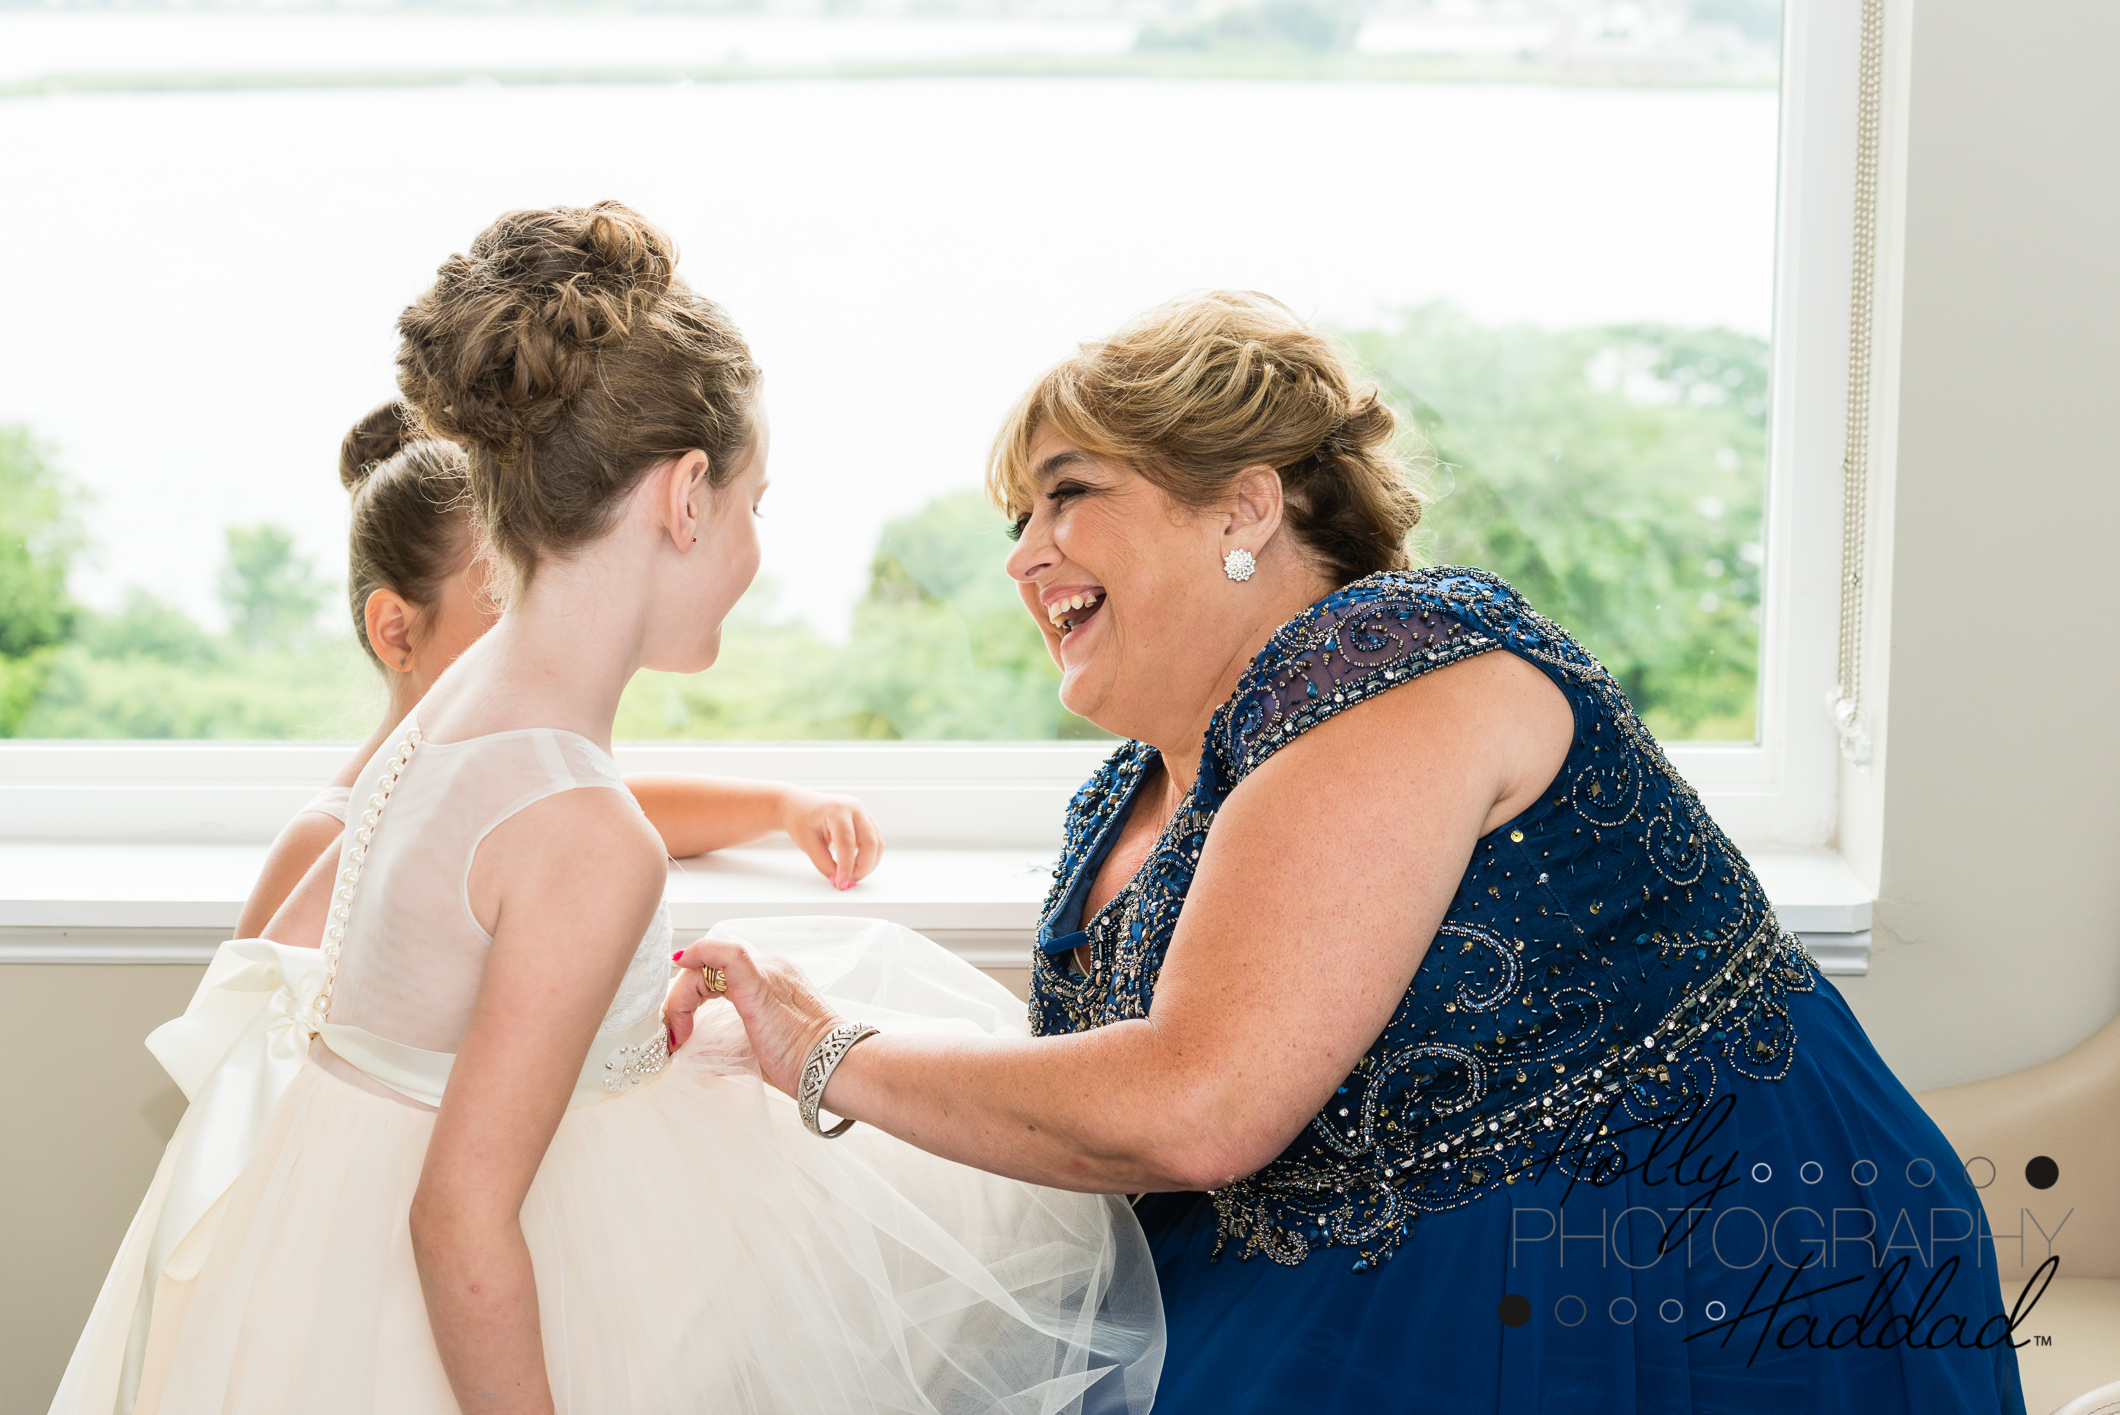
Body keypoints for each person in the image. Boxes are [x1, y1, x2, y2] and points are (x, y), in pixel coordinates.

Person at [671, 291, 2030, 1415]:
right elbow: (1113, 1120)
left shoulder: (1399, 664)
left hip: (1669, 1275)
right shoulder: (1131, 797)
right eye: (1015, 520)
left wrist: (826, 1049)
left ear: (1242, 506)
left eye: (1066, 495)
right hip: (1354, 1274)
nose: (1025, 557)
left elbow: (1198, 1104)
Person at [50, 202, 1160, 1415]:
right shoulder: (587, 829)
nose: (752, 548)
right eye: (753, 503)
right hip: (440, 1302)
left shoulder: (460, 698)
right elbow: (457, 1218)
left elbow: (382, 964)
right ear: (684, 497)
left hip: (318, 1261)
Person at [236, 404, 880, 939]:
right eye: (509, 600)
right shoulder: (327, 844)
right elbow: (245, 1034)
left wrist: (783, 807)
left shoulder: (499, 778)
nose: (546, 621)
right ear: (397, 631)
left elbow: (622, 806)